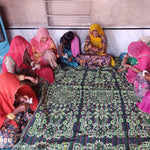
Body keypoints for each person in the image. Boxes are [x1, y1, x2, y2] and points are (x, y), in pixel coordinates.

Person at [0, 72, 39, 149]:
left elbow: (8, 96)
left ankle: (23, 126)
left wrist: (18, 97)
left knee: (26, 101)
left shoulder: (2, 89)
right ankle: (23, 126)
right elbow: (2, 122)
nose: (14, 93)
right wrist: (17, 110)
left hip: (8, 112)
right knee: (8, 139)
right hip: (2, 125)